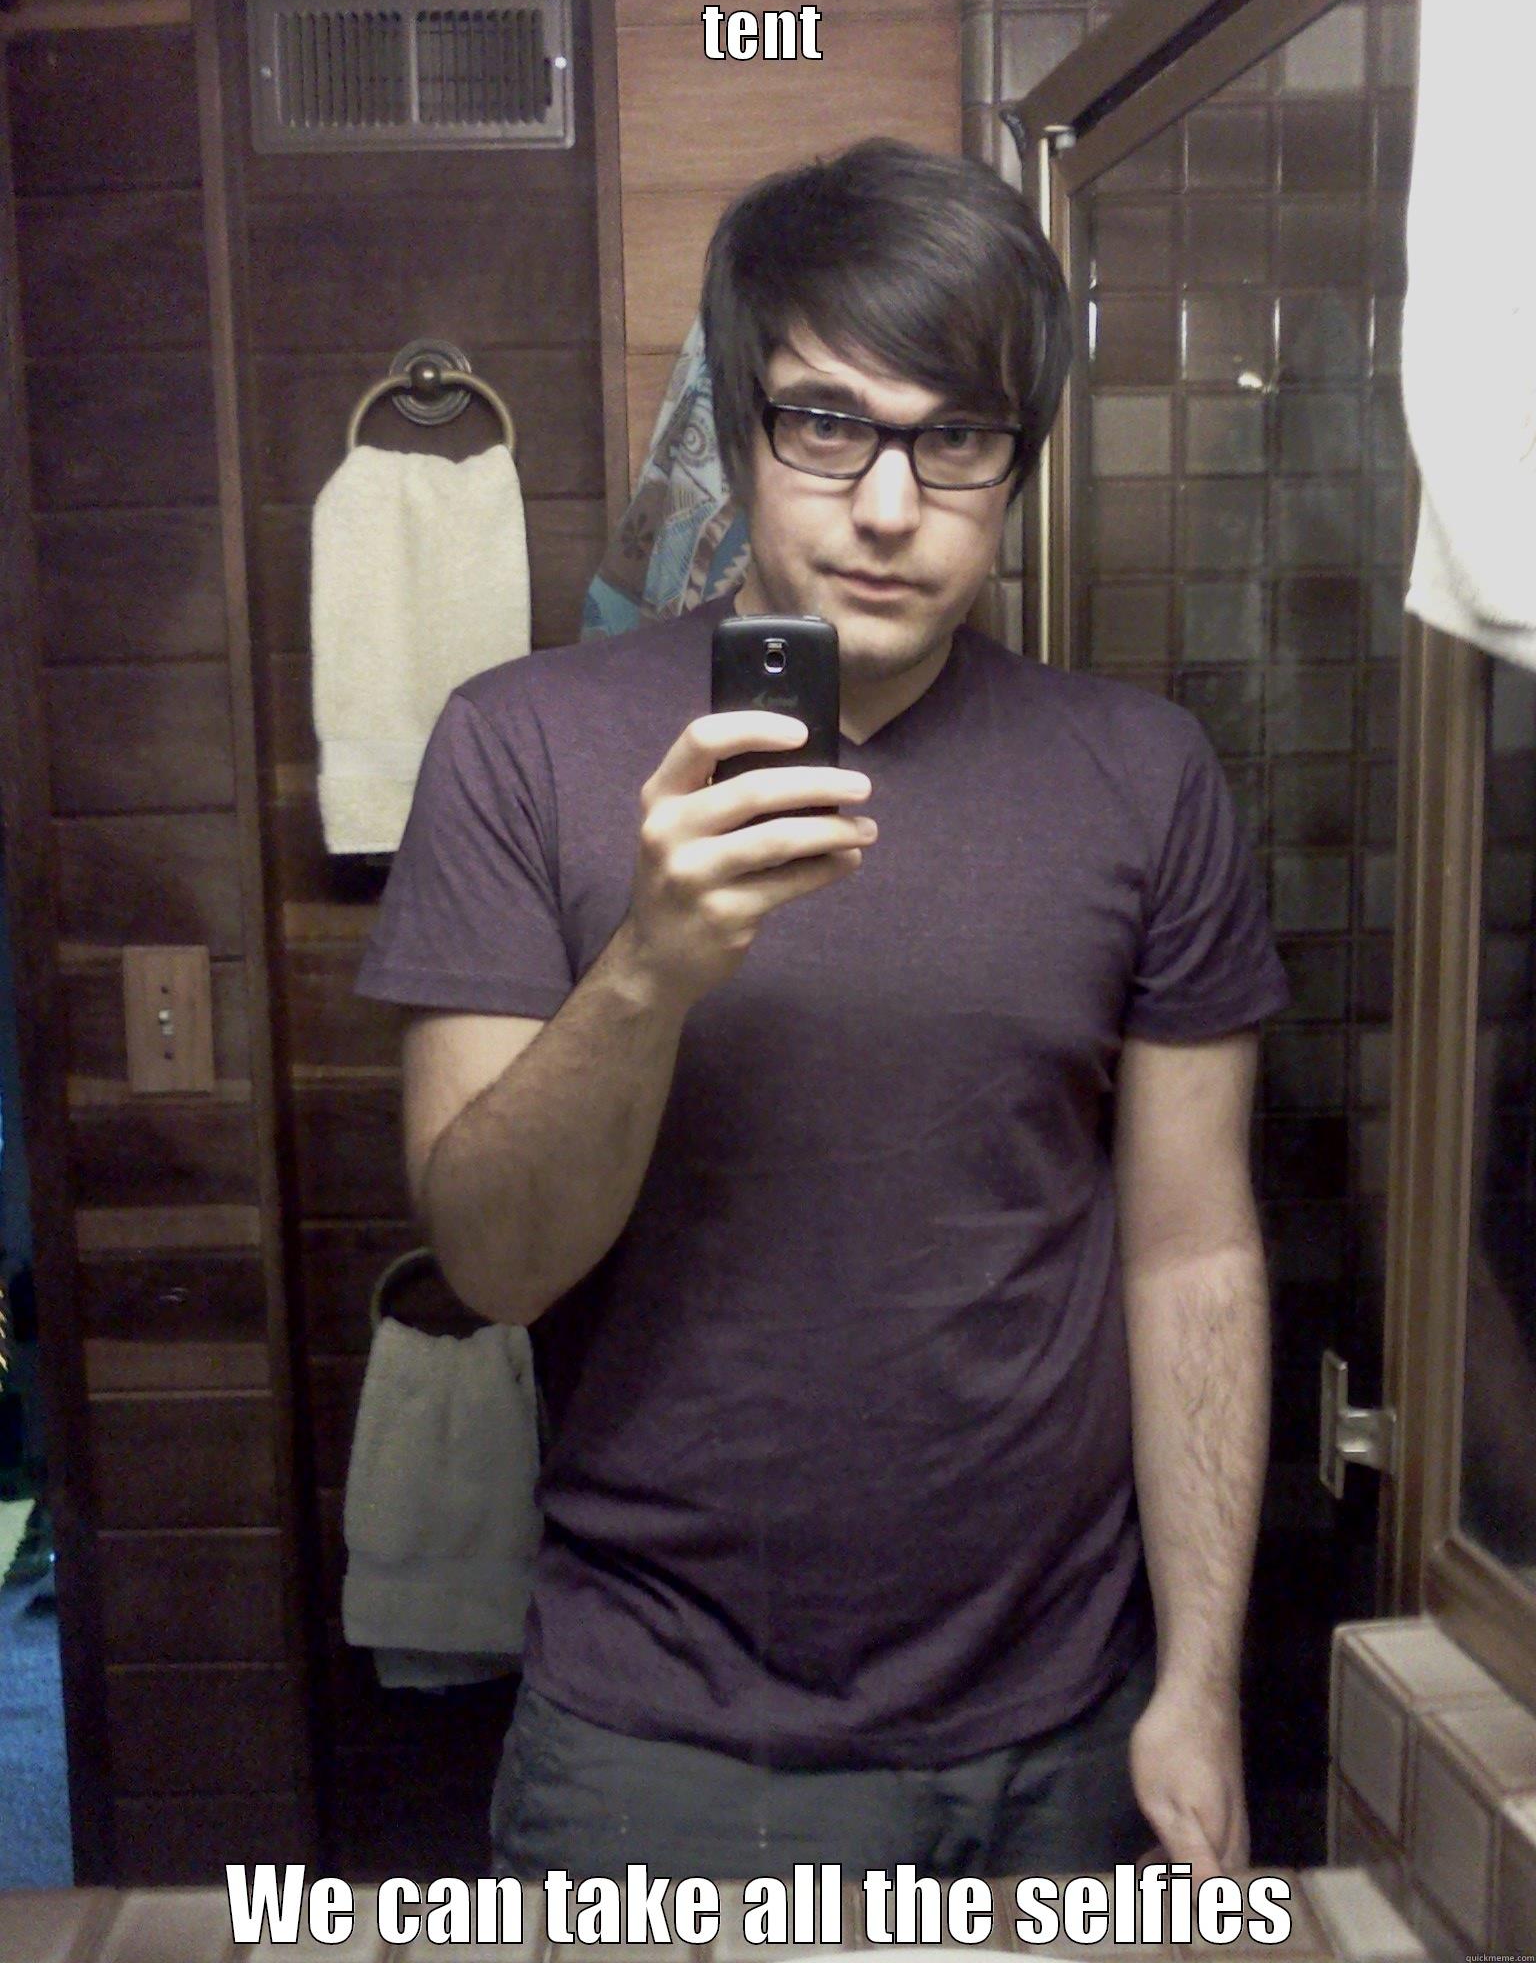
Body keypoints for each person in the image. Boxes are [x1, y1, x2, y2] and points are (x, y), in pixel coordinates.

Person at [354, 137, 1289, 1882]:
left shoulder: (1142, 776)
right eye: (829, 424)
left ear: (1015, 465)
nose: (887, 506)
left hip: (1065, 1728)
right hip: (657, 1749)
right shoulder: (522, 747)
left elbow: (1191, 1255)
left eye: (958, 438)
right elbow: (491, 1267)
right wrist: (650, 968)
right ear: (739, 427)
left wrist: (1201, 1683)